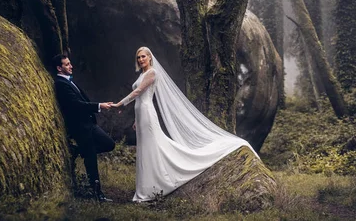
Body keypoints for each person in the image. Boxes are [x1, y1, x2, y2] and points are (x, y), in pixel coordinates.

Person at [111, 47, 257, 202]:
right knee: (146, 147)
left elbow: (139, 92)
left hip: (147, 114)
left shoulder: (152, 73)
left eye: (143, 57)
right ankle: (147, 186)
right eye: (138, 57)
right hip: (141, 114)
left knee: (152, 146)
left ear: (150, 58)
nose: (140, 60)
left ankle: (157, 184)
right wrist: (136, 119)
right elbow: (141, 99)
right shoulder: (142, 74)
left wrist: (120, 103)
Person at [52, 54, 115, 202]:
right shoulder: (60, 84)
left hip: (89, 124)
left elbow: (82, 100)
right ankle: (98, 194)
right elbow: (76, 105)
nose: (71, 66)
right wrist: (99, 106)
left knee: (109, 144)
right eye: (67, 65)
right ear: (59, 68)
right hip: (80, 127)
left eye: (70, 63)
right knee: (91, 160)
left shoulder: (69, 81)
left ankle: (77, 151)